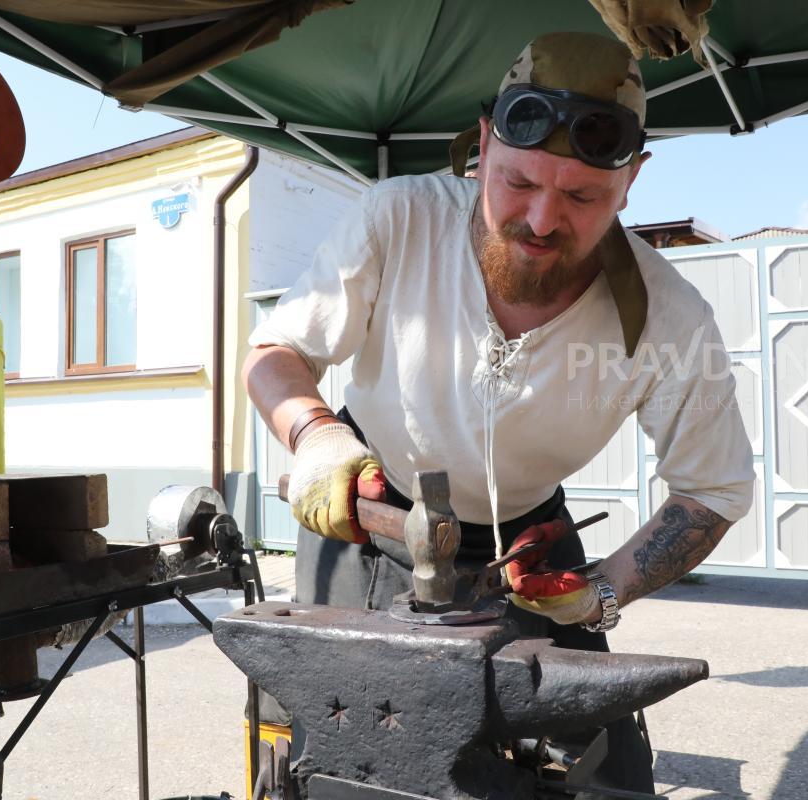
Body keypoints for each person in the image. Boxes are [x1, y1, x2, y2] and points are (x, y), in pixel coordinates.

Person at [242, 30, 755, 794]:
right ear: (484, 143)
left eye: (583, 197)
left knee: (602, 777)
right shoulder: (399, 219)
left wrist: (605, 587)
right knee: (337, 766)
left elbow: (710, 490)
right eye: (517, 183)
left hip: (532, 552)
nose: (543, 221)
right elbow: (275, 352)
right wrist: (314, 435)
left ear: (631, 181)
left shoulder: (669, 317)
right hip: (364, 517)